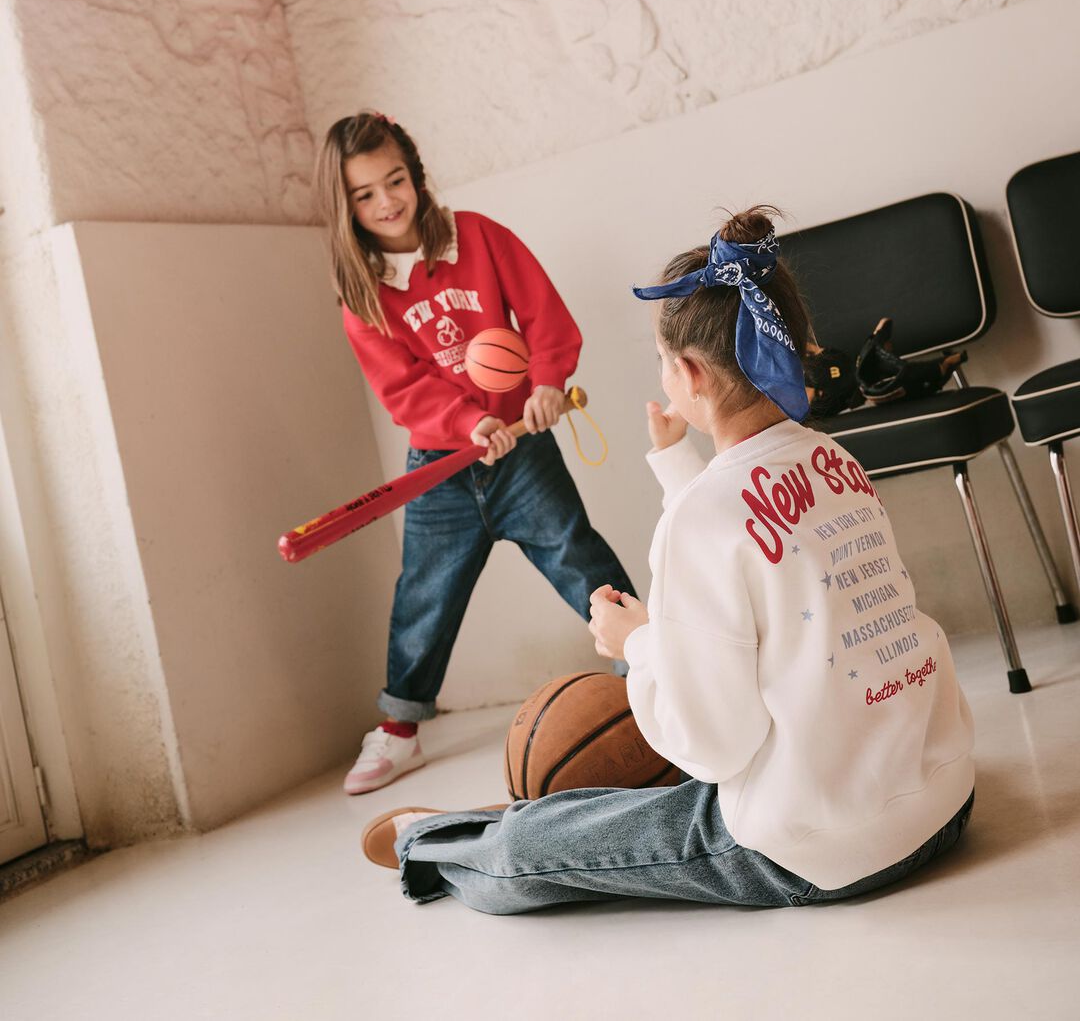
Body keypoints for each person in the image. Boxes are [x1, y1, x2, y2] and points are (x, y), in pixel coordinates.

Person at [362, 207, 975, 912]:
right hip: (942, 800)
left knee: (539, 851)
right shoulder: (835, 462)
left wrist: (642, 646)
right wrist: (674, 459)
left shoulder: (701, 519)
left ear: (687, 373)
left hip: (818, 852)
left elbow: (711, 749)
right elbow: (759, 544)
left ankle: (438, 841)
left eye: (661, 361)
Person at [314, 110, 636, 795]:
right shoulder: (361, 291)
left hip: (521, 453)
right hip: (442, 467)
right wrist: (465, 423)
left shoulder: (480, 238)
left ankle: (654, 667)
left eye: (395, 180)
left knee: (578, 556)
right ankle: (400, 729)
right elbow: (402, 388)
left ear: (416, 174)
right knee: (423, 595)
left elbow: (544, 316)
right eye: (365, 194)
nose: (387, 201)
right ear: (345, 207)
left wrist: (547, 383)